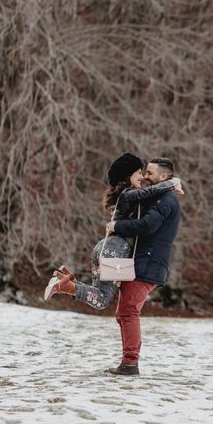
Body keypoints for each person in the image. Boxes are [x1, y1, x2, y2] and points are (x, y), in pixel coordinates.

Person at [43, 153, 183, 311]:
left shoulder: (127, 194)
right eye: (138, 173)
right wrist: (173, 182)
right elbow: (149, 194)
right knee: (102, 300)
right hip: (115, 251)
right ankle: (66, 286)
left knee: (99, 293)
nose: (142, 177)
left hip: (105, 248)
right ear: (128, 176)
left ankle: (64, 278)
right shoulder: (129, 194)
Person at [106, 157, 182, 376]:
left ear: (164, 176)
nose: (146, 177)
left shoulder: (165, 200)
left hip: (149, 264)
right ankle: (128, 361)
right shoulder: (159, 197)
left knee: (128, 312)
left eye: (149, 173)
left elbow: (147, 226)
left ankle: (130, 363)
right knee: (123, 313)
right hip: (142, 262)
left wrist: (117, 226)